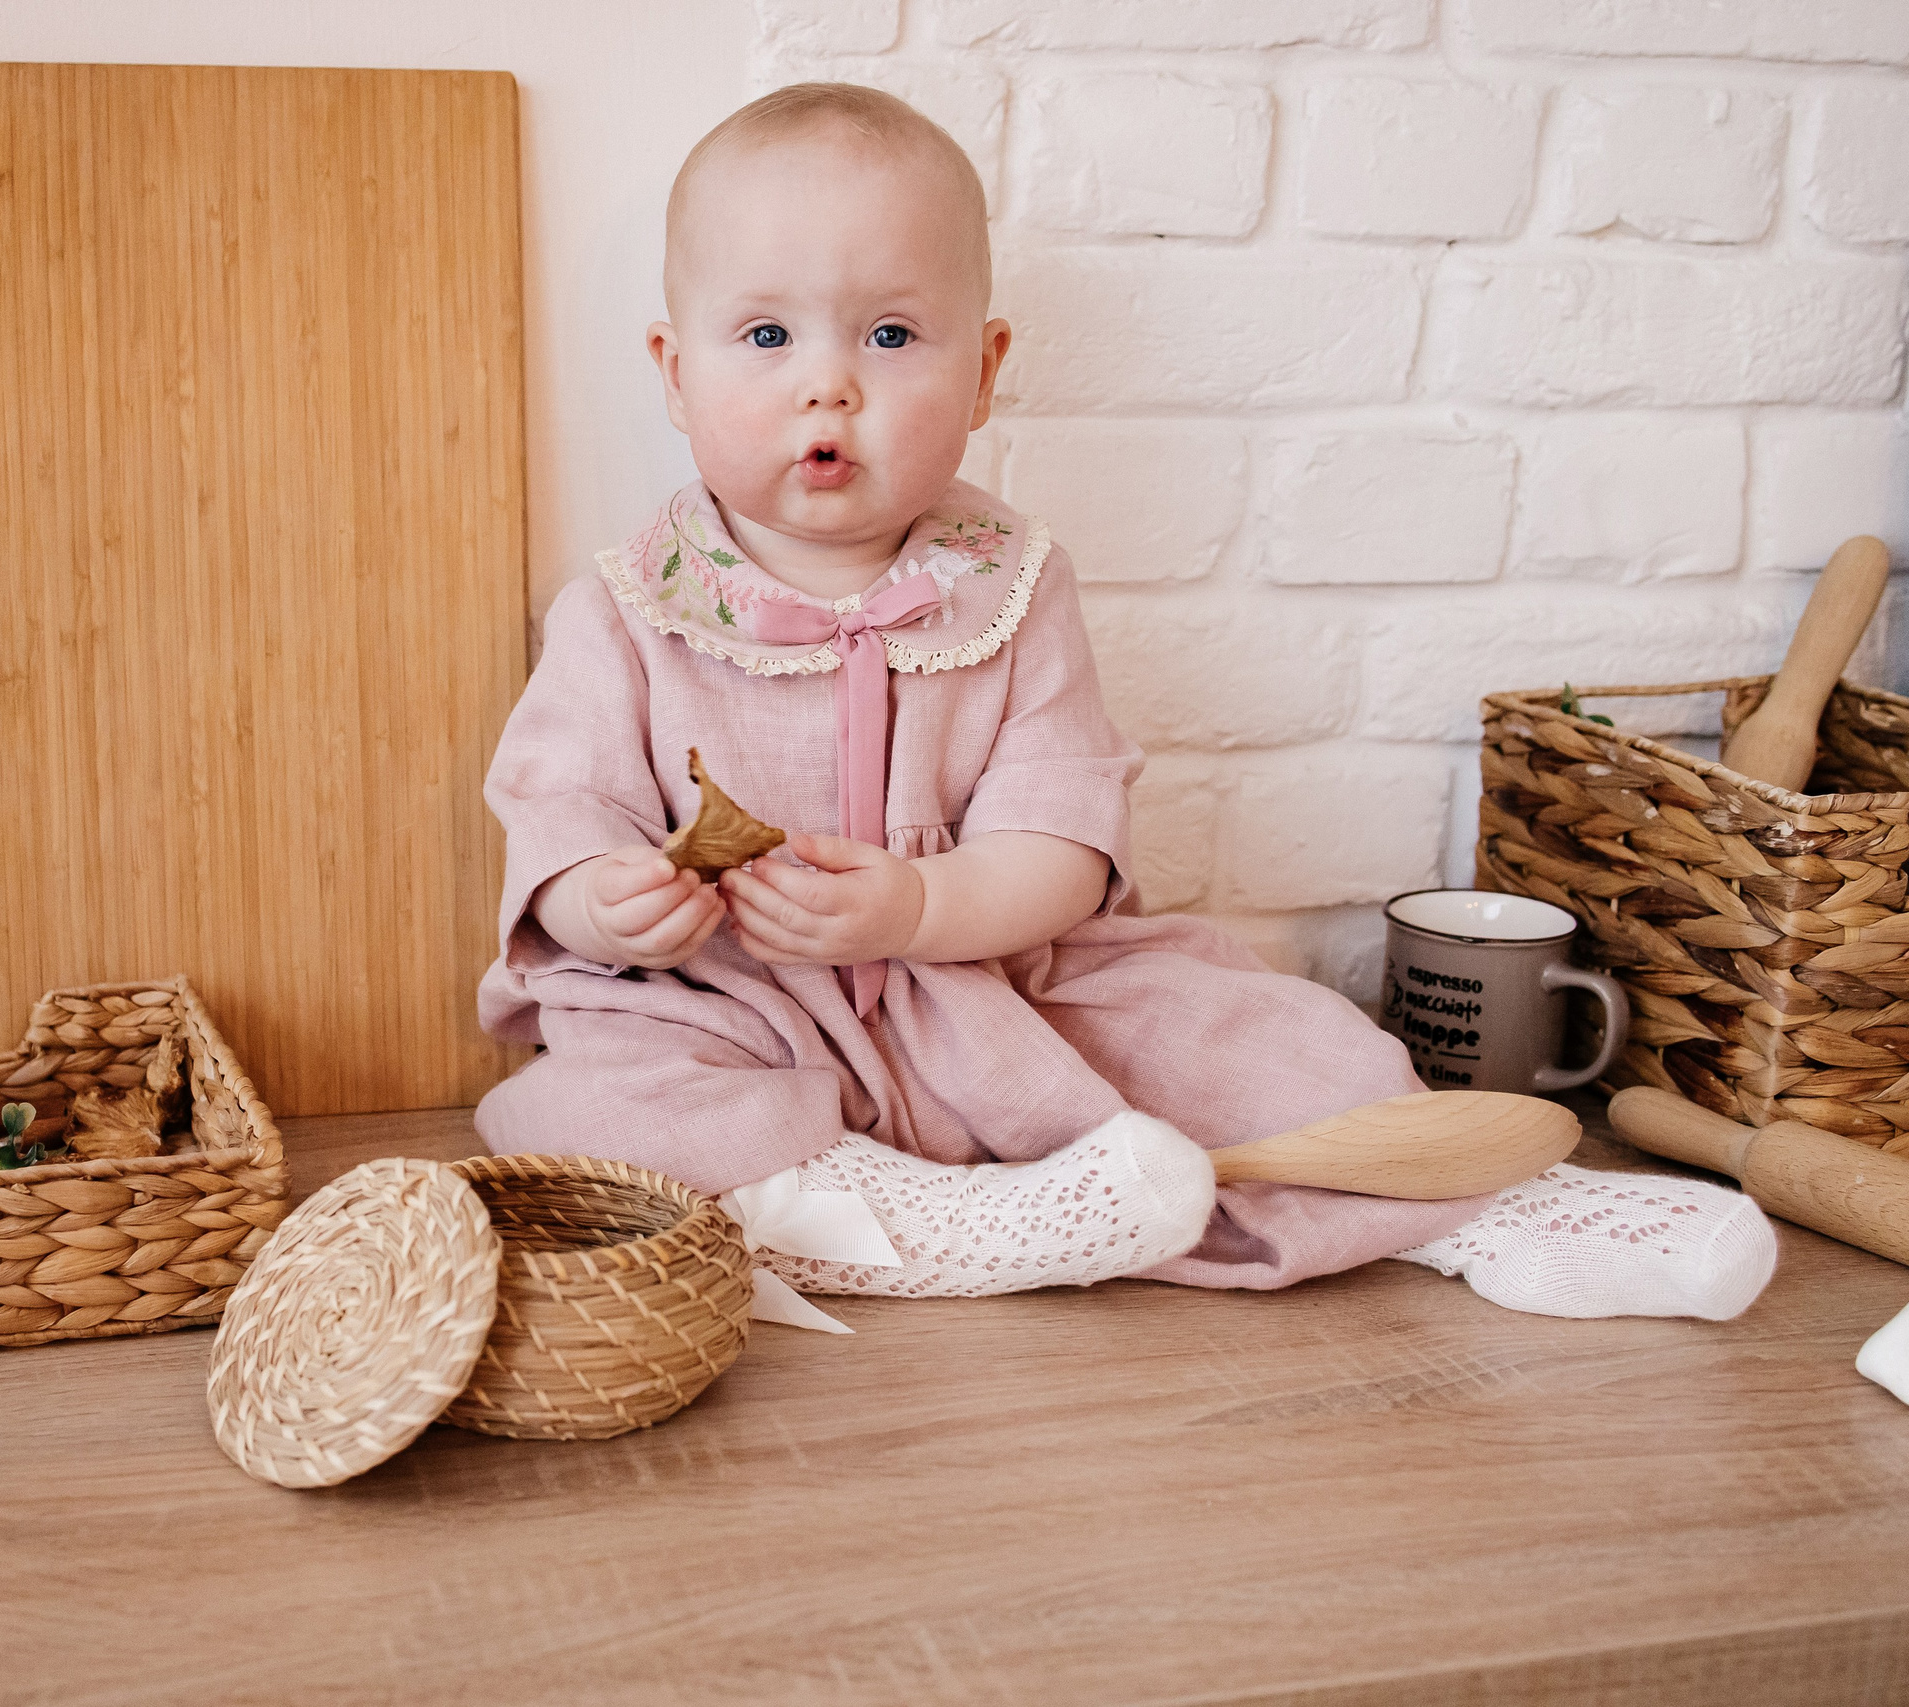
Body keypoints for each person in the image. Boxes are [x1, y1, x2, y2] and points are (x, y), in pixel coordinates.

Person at [474, 83, 1773, 1324]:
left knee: (1264, 1033)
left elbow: (1061, 843)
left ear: (982, 373)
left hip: (991, 979)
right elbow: (562, 807)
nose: (831, 385)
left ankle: (1487, 1211)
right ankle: (898, 1222)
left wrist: (922, 904)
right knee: (591, 1097)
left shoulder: (1014, 587)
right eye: (767, 336)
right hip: (724, 994)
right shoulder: (626, 607)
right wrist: (608, 901)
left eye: (889, 335)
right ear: (673, 369)